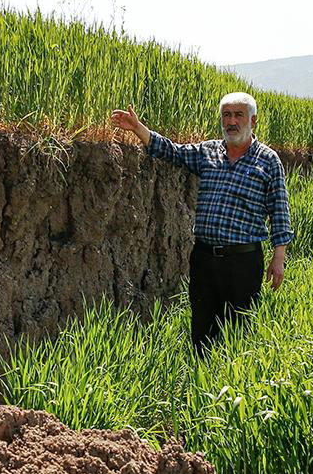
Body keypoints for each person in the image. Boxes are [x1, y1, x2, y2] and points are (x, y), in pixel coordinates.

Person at [109, 93, 293, 357]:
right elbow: (171, 151)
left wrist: (279, 257)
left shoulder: (268, 160)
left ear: (253, 120)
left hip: (243, 261)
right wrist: (139, 129)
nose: (231, 121)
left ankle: (235, 386)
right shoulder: (207, 152)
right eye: (226, 115)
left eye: (238, 115)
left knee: (239, 329)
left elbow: (279, 209)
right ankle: (201, 379)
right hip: (205, 258)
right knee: (202, 327)